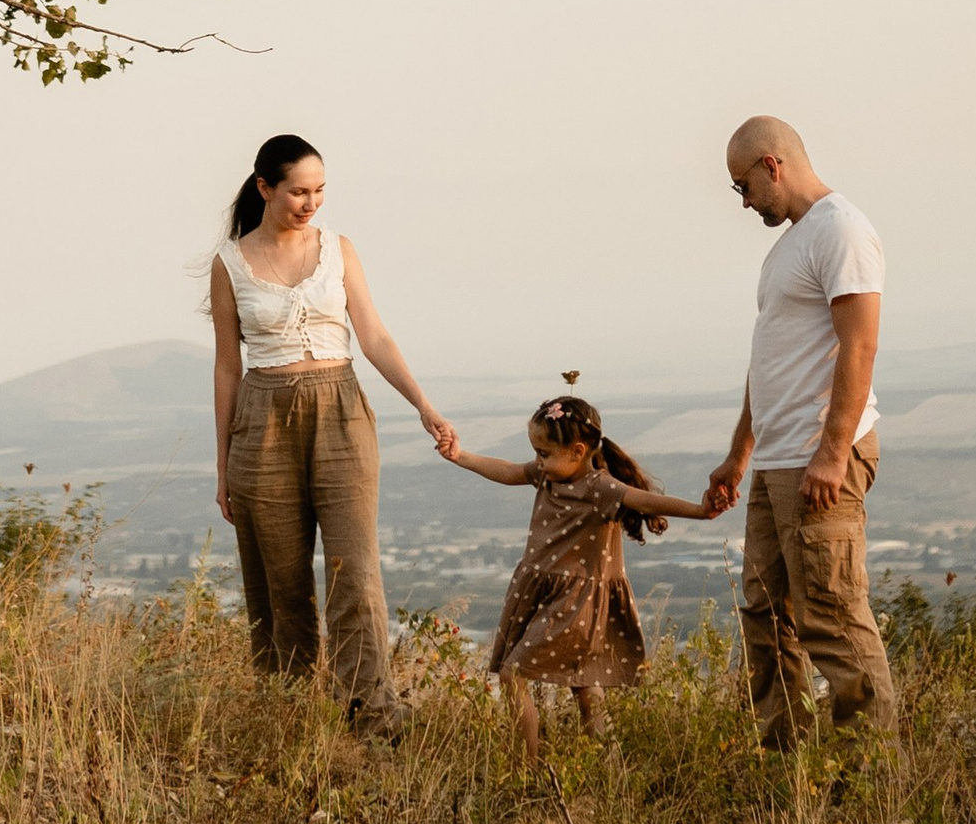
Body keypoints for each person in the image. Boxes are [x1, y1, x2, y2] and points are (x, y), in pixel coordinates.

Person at [211, 133, 455, 734]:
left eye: (319, 190)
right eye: (298, 191)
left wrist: (423, 405)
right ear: (265, 188)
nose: (310, 202)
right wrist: (223, 470)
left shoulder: (338, 249)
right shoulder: (229, 263)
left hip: (341, 410)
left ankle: (371, 715)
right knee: (281, 581)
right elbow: (225, 367)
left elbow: (373, 336)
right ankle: (290, 713)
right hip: (261, 420)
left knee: (355, 568)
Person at [700, 113, 900, 748]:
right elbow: (770, 364)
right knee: (765, 614)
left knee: (832, 619)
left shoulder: (840, 230)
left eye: (743, 186)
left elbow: (859, 347)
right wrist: (739, 456)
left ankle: (870, 780)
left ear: (772, 165)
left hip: (818, 458)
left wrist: (833, 451)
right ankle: (788, 766)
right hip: (776, 461)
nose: (744, 201)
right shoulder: (790, 246)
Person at [445, 391, 712, 759]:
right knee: (587, 688)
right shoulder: (548, 478)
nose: (538, 462)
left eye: (544, 454)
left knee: (513, 676)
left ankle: (527, 769)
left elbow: (646, 501)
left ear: (578, 451)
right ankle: (609, 771)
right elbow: (507, 470)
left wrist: (700, 511)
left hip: (575, 605)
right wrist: (461, 457)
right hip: (548, 596)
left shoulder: (600, 488)